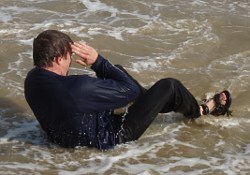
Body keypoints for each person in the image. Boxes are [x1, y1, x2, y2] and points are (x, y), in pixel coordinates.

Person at [24, 30, 232, 150]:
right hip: (112, 136)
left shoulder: (32, 80)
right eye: (69, 56)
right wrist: (97, 62)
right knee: (169, 86)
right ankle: (201, 111)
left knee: (119, 72)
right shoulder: (77, 88)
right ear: (58, 59)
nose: (70, 61)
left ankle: (153, 101)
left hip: (67, 135)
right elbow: (130, 90)